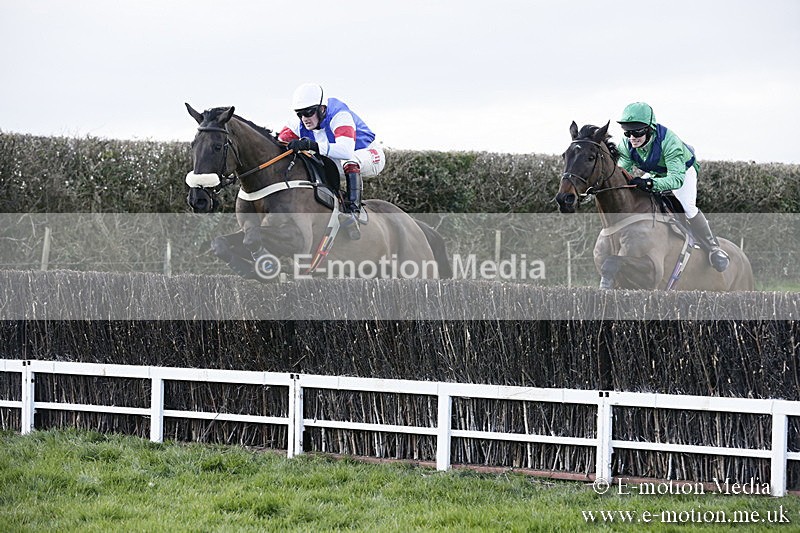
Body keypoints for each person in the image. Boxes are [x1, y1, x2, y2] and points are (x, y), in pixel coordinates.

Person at [616, 102, 730, 272]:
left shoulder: (669, 142)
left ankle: (713, 248)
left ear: (650, 128)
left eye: (637, 131)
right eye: (627, 131)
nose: (632, 137)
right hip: (657, 172)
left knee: (687, 206)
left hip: (682, 171)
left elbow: (676, 179)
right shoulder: (626, 144)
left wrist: (649, 183)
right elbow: (621, 172)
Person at [277, 83, 385, 240]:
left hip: (368, 154)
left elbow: (346, 150)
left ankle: (353, 214)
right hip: (337, 162)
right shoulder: (297, 123)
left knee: (350, 160)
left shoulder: (340, 116)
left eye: (308, 112)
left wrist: (311, 145)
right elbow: (277, 143)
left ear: (322, 109)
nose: (304, 118)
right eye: (299, 114)